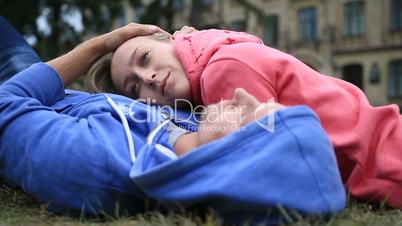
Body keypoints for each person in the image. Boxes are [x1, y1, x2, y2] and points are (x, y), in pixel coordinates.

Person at [0, 16, 345, 224]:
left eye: (253, 114)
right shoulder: (191, 127)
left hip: (22, 87)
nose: (242, 95)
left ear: (236, 155)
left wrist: (98, 46)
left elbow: (7, 105)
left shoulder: (98, 164)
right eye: (134, 84)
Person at [89, 28, 402, 209]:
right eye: (135, 86)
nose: (149, 78)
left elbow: (253, 169)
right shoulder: (224, 55)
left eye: (144, 58)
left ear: (171, 41)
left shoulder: (221, 71)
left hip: (382, 164)